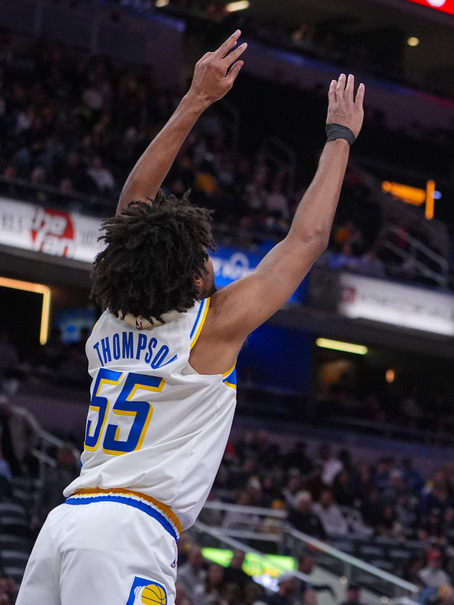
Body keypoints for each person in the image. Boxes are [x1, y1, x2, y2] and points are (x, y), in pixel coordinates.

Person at [16, 31, 366, 605]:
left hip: (64, 523)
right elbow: (306, 239)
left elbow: (133, 201)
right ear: (188, 275)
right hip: (129, 531)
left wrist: (196, 99)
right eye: (203, 256)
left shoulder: (112, 318)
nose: (211, 258)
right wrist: (340, 139)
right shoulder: (211, 327)